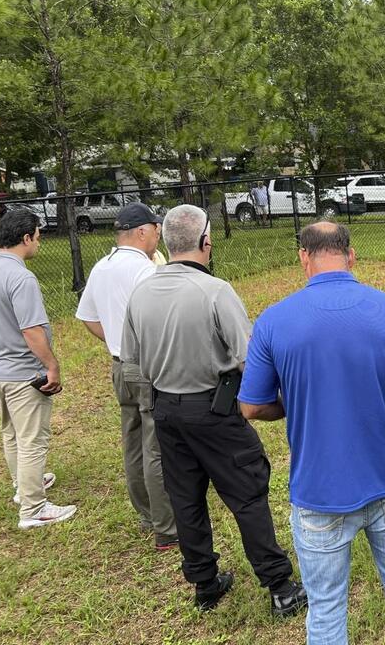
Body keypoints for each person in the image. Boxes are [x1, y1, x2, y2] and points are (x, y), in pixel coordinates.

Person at [239, 221, 385, 644]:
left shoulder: (273, 321)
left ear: (303, 258)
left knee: (327, 607)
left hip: (318, 493)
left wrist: (293, 403)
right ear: (351, 256)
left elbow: (251, 405)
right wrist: (382, 388)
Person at [121, 204, 307, 616]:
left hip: (165, 411)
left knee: (185, 499)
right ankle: (279, 586)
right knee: (247, 494)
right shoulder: (215, 291)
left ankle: (204, 584)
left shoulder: (141, 293)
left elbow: (130, 360)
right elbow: (249, 359)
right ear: (206, 241)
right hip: (215, 410)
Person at [75, 202, 177, 550]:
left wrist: (118, 340)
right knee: (156, 446)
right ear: (143, 231)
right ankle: (167, 526)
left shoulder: (102, 266)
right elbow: (162, 321)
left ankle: (147, 513)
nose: (158, 235)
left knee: (132, 440)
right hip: (147, 366)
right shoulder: (146, 271)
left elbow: (87, 316)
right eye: (157, 229)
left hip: (120, 365)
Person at [0, 209, 77, 529]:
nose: (39, 242)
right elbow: (31, 330)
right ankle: (33, 508)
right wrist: (51, 365)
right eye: (38, 236)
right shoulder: (21, 277)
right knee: (32, 440)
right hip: (23, 372)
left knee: (11, 434)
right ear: (26, 238)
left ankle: (22, 487)